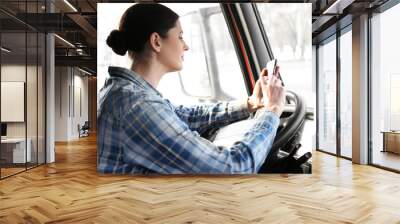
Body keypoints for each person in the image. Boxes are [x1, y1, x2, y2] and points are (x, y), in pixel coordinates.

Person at [97, 3, 286, 174]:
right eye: (180, 36)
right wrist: (271, 112)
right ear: (156, 41)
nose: (185, 46)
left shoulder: (127, 93)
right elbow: (233, 167)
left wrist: (250, 103)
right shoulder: (137, 106)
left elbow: (185, 116)